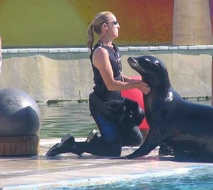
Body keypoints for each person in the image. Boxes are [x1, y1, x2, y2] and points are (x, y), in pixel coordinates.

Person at [46, 11, 150, 157]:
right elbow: (111, 84)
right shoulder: (101, 52)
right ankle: (69, 145)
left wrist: (138, 81)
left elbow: (119, 76)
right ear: (105, 26)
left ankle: (96, 139)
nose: (119, 26)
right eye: (115, 23)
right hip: (103, 105)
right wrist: (137, 86)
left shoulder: (113, 48)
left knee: (135, 139)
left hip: (116, 103)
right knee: (113, 151)